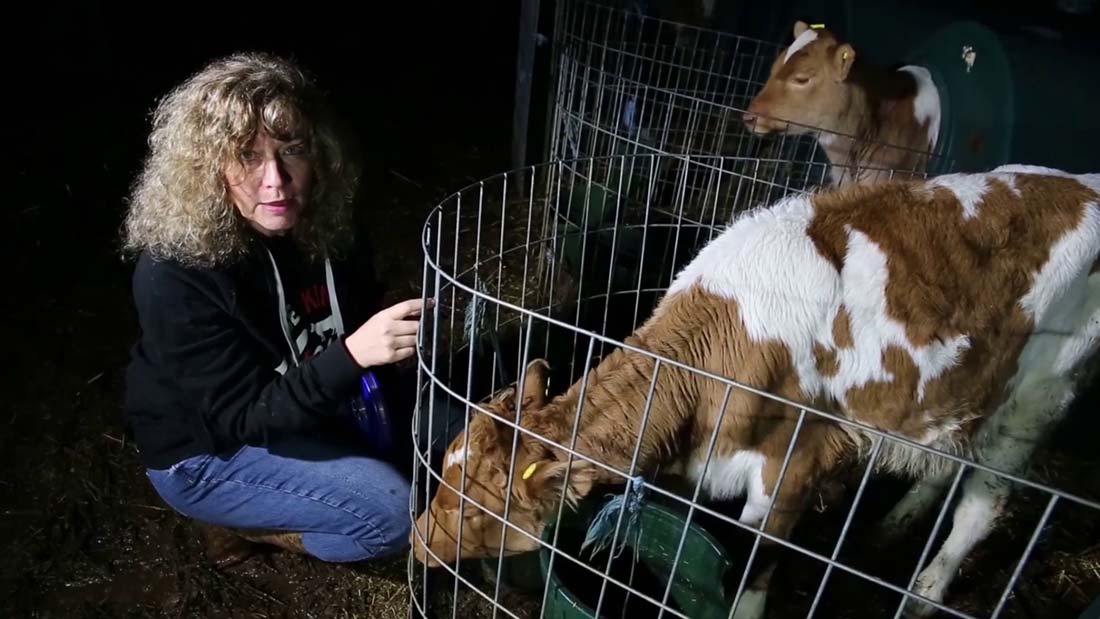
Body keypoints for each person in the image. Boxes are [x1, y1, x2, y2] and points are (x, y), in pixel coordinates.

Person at [121, 51, 427, 568]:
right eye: (246, 155)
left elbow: (349, 321)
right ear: (206, 168)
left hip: (304, 406)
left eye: (293, 149)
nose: (276, 181)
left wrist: (394, 343)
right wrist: (354, 354)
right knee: (394, 515)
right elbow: (245, 416)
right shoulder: (174, 272)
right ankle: (254, 529)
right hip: (209, 450)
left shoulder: (330, 227)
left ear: (320, 154)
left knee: (441, 442)